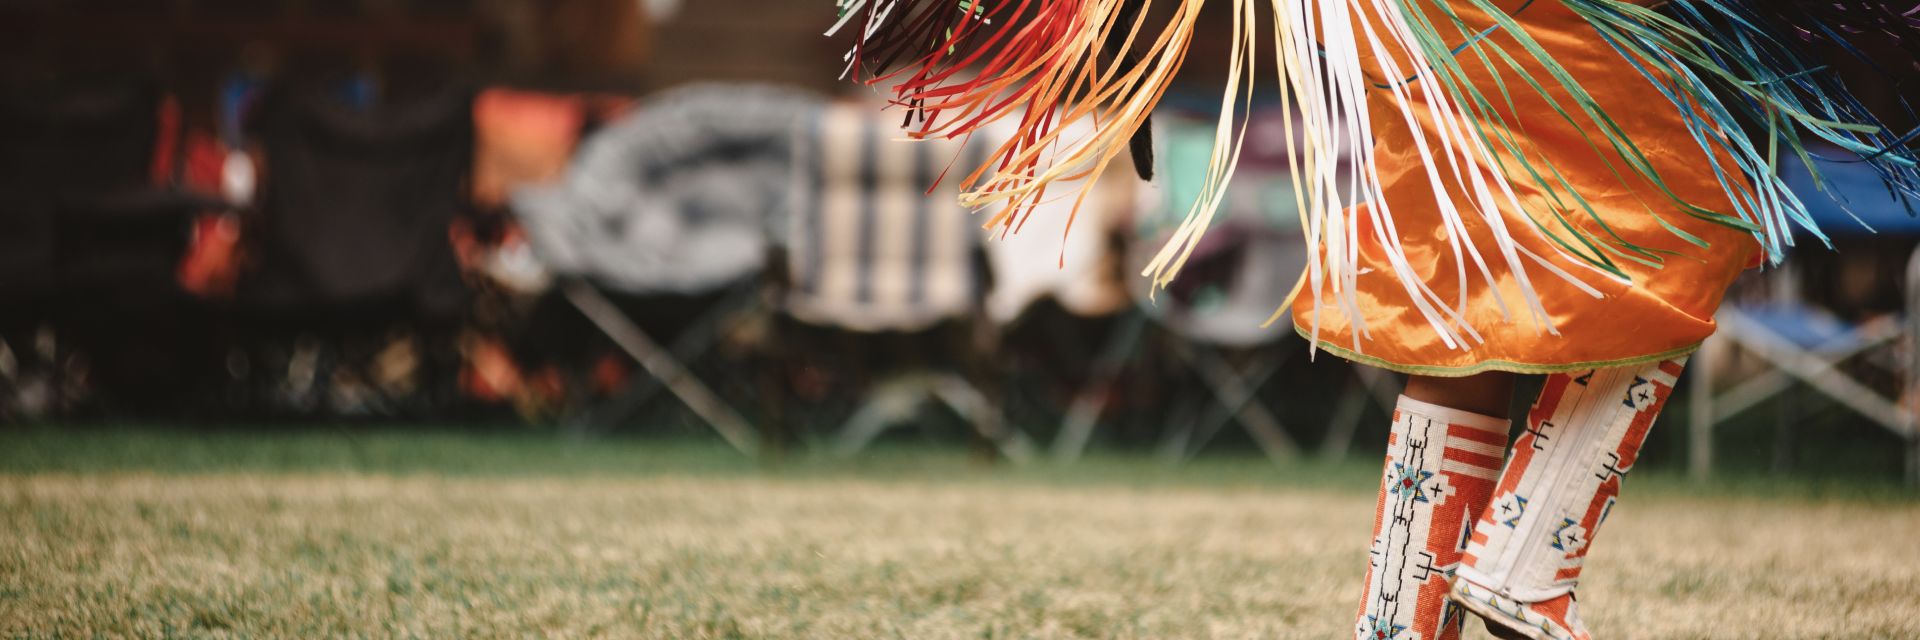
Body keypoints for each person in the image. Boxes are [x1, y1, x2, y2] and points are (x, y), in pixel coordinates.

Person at [830, 1, 1920, 638]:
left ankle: (1405, 618)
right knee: (1688, 197)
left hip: (1401, 24)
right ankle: (1529, 552)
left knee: (1461, 261)